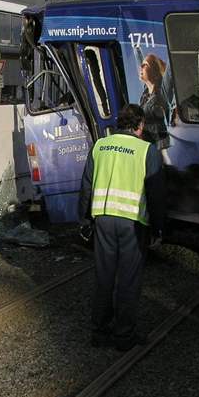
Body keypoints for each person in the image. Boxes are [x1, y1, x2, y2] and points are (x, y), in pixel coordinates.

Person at [78, 103, 166, 351]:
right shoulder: (146, 150)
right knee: (128, 279)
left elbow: (86, 187)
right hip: (132, 222)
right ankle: (124, 335)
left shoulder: (100, 146)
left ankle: (99, 331)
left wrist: (84, 220)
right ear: (140, 126)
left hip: (103, 218)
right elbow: (156, 192)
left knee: (104, 276)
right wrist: (159, 228)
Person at [138, 53, 170, 153]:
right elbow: (139, 61)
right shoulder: (146, 92)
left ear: (153, 71)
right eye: (141, 65)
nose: (141, 67)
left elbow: (169, 72)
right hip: (147, 144)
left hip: (159, 146)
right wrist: (137, 49)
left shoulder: (161, 93)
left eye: (145, 65)